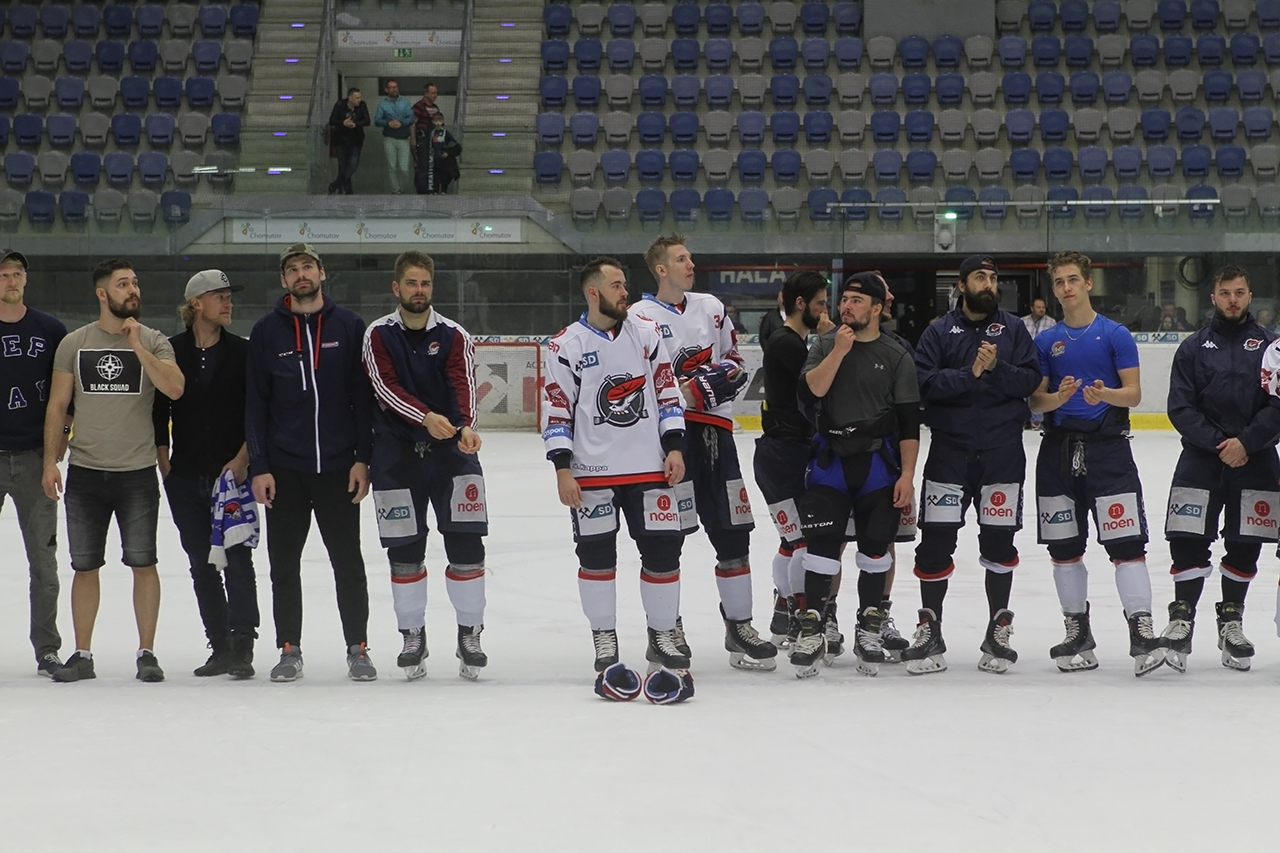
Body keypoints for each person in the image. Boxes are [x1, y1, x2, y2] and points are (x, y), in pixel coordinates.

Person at [541, 257, 694, 704]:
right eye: (616, 285)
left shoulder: (646, 334)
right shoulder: (565, 345)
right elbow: (557, 409)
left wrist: (675, 446)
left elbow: (667, 392)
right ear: (593, 293)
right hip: (591, 475)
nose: (625, 292)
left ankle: (662, 634)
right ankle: (604, 637)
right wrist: (563, 468)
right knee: (596, 559)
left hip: (649, 468)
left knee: (663, 554)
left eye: (625, 284)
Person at [629, 235, 778, 671]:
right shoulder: (639, 317)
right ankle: (666, 630)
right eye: (681, 259)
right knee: (665, 537)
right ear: (661, 269)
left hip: (717, 435)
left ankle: (739, 626)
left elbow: (736, 362)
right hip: (668, 441)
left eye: (690, 257)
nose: (690, 264)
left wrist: (706, 385)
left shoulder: (711, 307)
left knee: (734, 533)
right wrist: (682, 395)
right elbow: (636, 379)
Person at [42, 259, 185, 683]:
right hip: (86, 471)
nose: (133, 289)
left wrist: (138, 346)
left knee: (143, 562)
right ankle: (82, 654)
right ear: (102, 294)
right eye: (123, 284)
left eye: (135, 282)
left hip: (136, 471)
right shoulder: (74, 343)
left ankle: (147, 652)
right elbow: (58, 405)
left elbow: (175, 387)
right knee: (84, 566)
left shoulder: (155, 340)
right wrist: (50, 461)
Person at [1029, 251, 1165, 677]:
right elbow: (1036, 402)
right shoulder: (1045, 342)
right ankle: (1077, 631)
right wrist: (1059, 398)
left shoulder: (1115, 334)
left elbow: (1134, 393)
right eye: (1059, 282)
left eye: (1073, 279)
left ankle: (1141, 630)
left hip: (1108, 453)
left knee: (1127, 544)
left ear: (1088, 283)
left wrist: (1103, 394)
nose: (1066, 287)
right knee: (1064, 547)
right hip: (1057, 454)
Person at [904, 256, 1042, 675]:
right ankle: (930, 629)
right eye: (980, 277)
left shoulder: (1014, 329)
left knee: (999, 543)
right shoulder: (938, 331)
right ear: (961, 286)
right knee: (935, 544)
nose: (989, 283)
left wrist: (996, 367)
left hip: (1003, 455)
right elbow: (924, 384)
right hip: (949, 454)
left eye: (993, 277)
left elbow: (1030, 381)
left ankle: (998, 630)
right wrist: (971, 374)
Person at [246, 243, 376, 682]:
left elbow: (363, 400)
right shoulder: (267, 331)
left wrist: (363, 459)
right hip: (284, 470)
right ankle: (289, 648)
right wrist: (260, 465)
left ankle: (358, 647)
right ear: (284, 280)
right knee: (284, 565)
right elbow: (256, 404)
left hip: (339, 467)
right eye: (292, 269)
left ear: (322, 272)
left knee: (348, 562)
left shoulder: (350, 326)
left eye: (307, 266)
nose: (301, 274)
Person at [362, 251, 490, 681]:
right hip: (395, 455)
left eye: (425, 284)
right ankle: (412, 635)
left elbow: (463, 383)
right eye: (411, 283)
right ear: (396, 287)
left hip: (452, 453)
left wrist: (465, 425)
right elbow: (385, 387)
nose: (419, 291)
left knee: (467, 544)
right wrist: (425, 417)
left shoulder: (454, 335)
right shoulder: (378, 334)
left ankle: (470, 634)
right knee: (404, 550)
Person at [790, 272, 920, 678]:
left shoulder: (897, 355)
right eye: (844, 299)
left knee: (875, 550)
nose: (846, 306)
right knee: (821, 548)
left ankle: (869, 627)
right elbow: (810, 391)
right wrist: (838, 351)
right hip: (831, 463)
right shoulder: (824, 344)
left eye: (857, 301)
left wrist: (908, 475)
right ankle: (813, 627)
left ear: (878, 308)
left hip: (877, 464)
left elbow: (909, 422)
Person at [1165, 266, 1280, 672]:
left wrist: (1246, 442)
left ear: (1250, 296)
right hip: (1201, 458)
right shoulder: (1193, 347)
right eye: (1225, 292)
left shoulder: (1272, 348)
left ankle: (1231, 621)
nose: (1233, 299)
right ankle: (1181, 619)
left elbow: (1279, 405)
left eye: (1240, 292)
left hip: (1257, 458)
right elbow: (1180, 406)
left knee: (1246, 542)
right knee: (1187, 537)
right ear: (1213, 297)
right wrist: (1220, 444)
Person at [153, 270, 260, 679]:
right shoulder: (172, 351)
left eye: (229, 295)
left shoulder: (244, 352)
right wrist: (165, 460)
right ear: (197, 303)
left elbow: (256, 412)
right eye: (220, 296)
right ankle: (219, 645)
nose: (228, 302)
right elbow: (159, 409)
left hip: (232, 475)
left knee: (238, 560)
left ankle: (243, 643)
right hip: (185, 477)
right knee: (202, 564)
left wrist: (244, 458)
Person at [753, 271, 833, 649]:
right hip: (785, 453)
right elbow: (818, 387)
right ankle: (802, 618)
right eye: (820, 303)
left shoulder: (788, 340)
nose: (826, 311)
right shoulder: (787, 343)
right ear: (801, 304)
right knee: (804, 541)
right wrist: (831, 343)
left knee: (792, 539)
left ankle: (785, 614)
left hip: (779, 453)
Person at [0, 249, 67, 677]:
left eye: (17, 273)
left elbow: (67, 395)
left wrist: (58, 447)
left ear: (26, 279)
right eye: (3, 274)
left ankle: (47, 648)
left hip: (34, 458)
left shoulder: (50, 330)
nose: (11, 281)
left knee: (43, 563)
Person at [327, 87, 370, 195]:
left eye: (360, 97)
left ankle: (335, 184)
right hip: (341, 139)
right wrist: (343, 123)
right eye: (357, 98)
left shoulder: (362, 106)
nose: (359, 100)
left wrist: (356, 124)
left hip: (356, 139)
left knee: (353, 164)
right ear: (350, 98)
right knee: (343, 165)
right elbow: (332, 120)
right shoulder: (340, 105)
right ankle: (348, 190)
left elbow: (367, 120)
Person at [373, 79, 414, 194]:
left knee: (404, 168)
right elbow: (377, 120)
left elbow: (411, 118)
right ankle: (396, 191)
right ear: (386, 90)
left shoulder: (405, 102)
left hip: (404, 139)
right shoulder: (382, 104)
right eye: (391, 87)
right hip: (389, 139)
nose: (393, 89)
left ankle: (402, 188)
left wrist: (402, 123)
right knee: (392, 167)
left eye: (395, 87)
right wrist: (388, 123)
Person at [415, 112, 461, 195]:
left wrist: (448, 152)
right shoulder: (431, 133)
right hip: (433, 160)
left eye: (440, 121)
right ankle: (434, 190)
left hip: (443, 160)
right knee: (434, 176)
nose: (438, 123)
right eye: (436, 121)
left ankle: (444, 190)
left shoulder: (446, 133)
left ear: (443, 121)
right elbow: (425, 144)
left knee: (445, 176)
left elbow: (455, 146)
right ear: (433, 122)